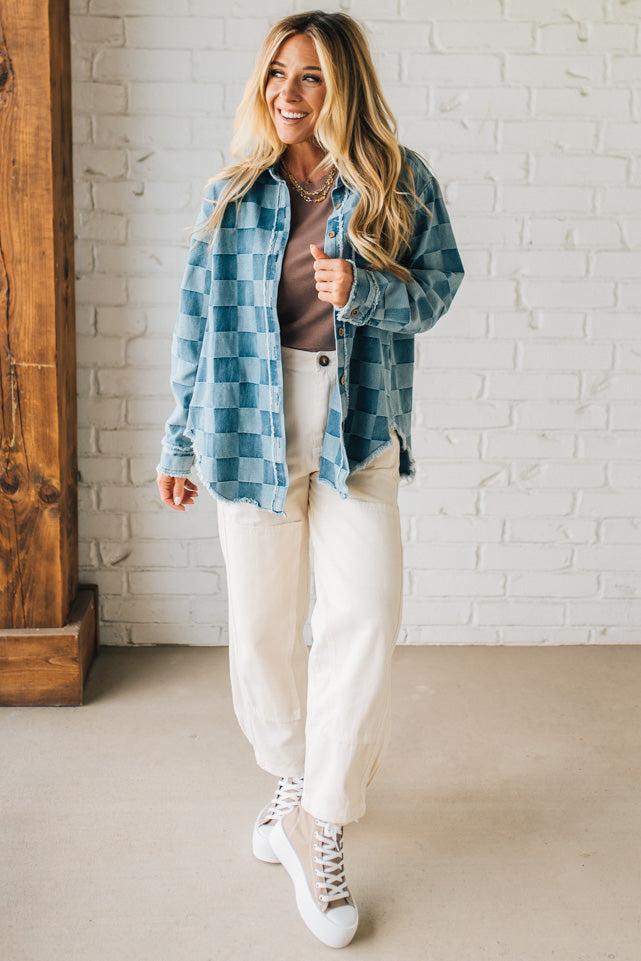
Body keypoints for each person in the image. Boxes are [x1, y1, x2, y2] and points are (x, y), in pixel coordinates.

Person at [156, 9, 464, 948]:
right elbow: (196, 327)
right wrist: (177, 442)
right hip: (247, 417)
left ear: (347, 87)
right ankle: (288, 779)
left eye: (314, 78)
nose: (290, 95)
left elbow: (440, 286)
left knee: (364, 614)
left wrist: (361, 289)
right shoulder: (234, 189)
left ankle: (321, 817)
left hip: (355, 419)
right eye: (279, 75)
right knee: (259, 624)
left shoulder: (398, 181)